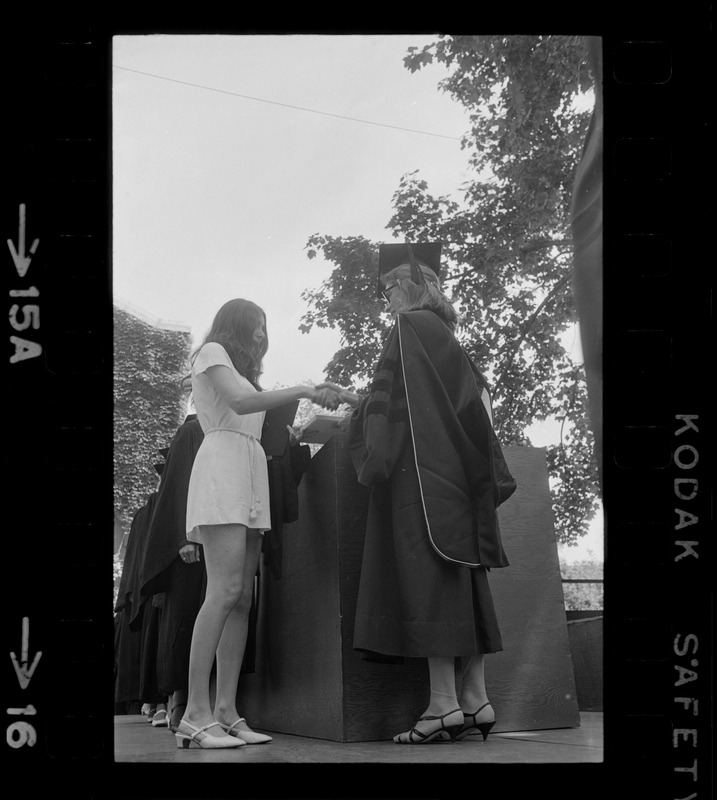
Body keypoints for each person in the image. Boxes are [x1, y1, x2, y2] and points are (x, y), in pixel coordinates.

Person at [330, 243, 517, 744]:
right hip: (461, 480)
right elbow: (479, 410)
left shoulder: (409, 329)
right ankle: (476, 699)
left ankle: (441, 705)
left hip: (424, 477)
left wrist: (355, 419)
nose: (385, 298)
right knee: (464, 578)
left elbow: (388, 414)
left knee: (430, 575)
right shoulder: (452, 341)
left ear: (409, 284)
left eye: (387, 288)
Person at [174, 298, 341, 750]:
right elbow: (241, 401)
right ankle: (194, 712)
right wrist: (306, 390)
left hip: (249, 472)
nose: (262, 335)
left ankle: (226, 711)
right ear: (237, 323)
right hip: (223, 467)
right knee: (224, 591)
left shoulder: (243, 371)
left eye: (267, 327)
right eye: (257, 325)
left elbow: (256, 410)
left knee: (243, 598)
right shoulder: (211, 353)